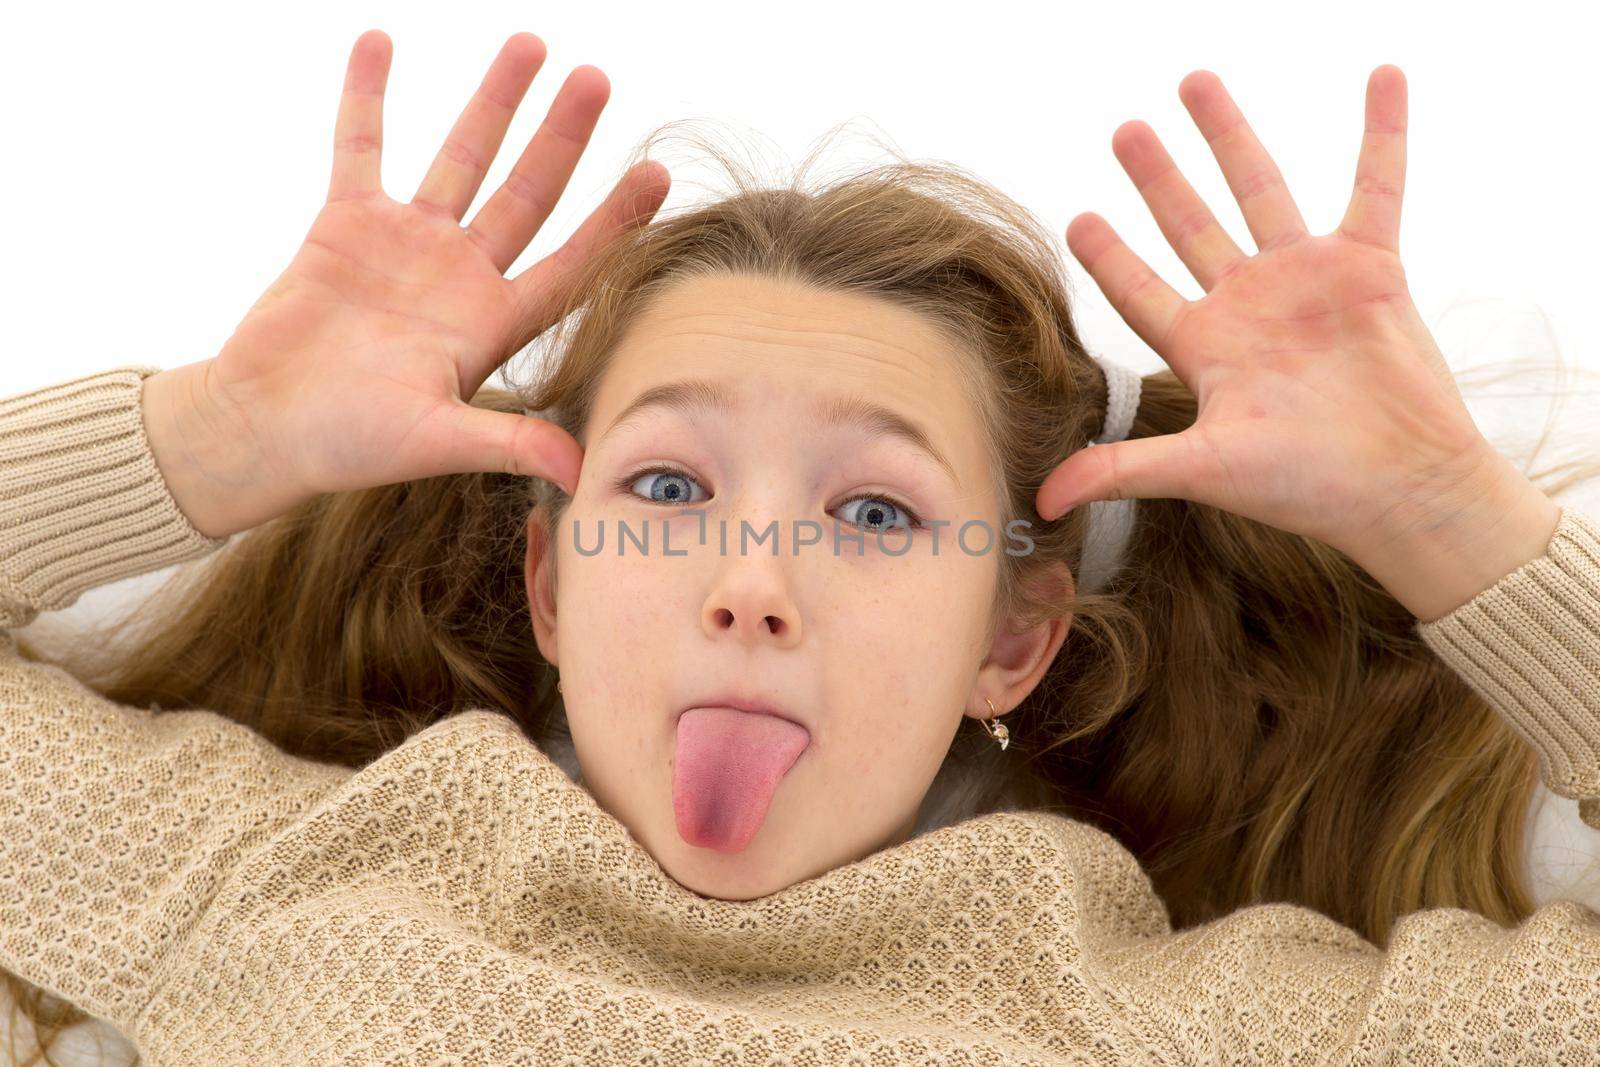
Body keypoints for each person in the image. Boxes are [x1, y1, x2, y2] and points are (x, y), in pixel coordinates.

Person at [3, 27, 1597, 1066]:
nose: (752, 586)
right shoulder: (289, 873)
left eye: (879, 513)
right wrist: (218, 434)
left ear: (1013, 640)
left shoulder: (1178, 1023)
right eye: (670, 490)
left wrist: (1444, 519)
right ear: (551, 586)